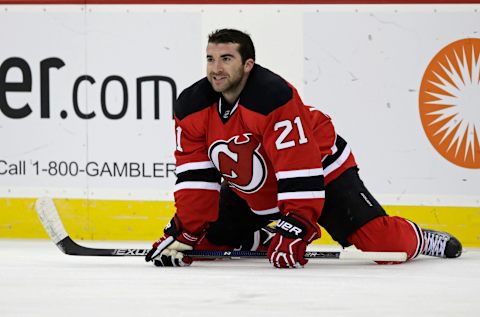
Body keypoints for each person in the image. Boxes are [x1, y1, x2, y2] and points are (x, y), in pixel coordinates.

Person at [145, 28, 462, 268]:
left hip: (320, 173)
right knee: (203, 245)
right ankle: (261, 239)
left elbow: (299, 165)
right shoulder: (191, 106)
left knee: (385, 246)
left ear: (248, 65)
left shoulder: (271, 96)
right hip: (258, 189)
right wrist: (185, 232)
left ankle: (420, 237)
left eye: (226, 59)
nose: (216, 68)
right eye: (211, 59)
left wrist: (297, 224)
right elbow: (196, 179)